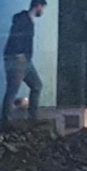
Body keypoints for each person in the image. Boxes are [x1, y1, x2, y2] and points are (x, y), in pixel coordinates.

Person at [1, 0, 47, 128]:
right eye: (42, 8)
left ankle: (32, 118)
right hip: (18, 59)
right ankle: (6, 121)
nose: (42, 11)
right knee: (12, 89)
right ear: (38, 6)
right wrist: (18, 53)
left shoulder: (28, 20)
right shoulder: (23, 18)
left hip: (25, 60)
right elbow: (16, 33)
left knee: (36, 85)